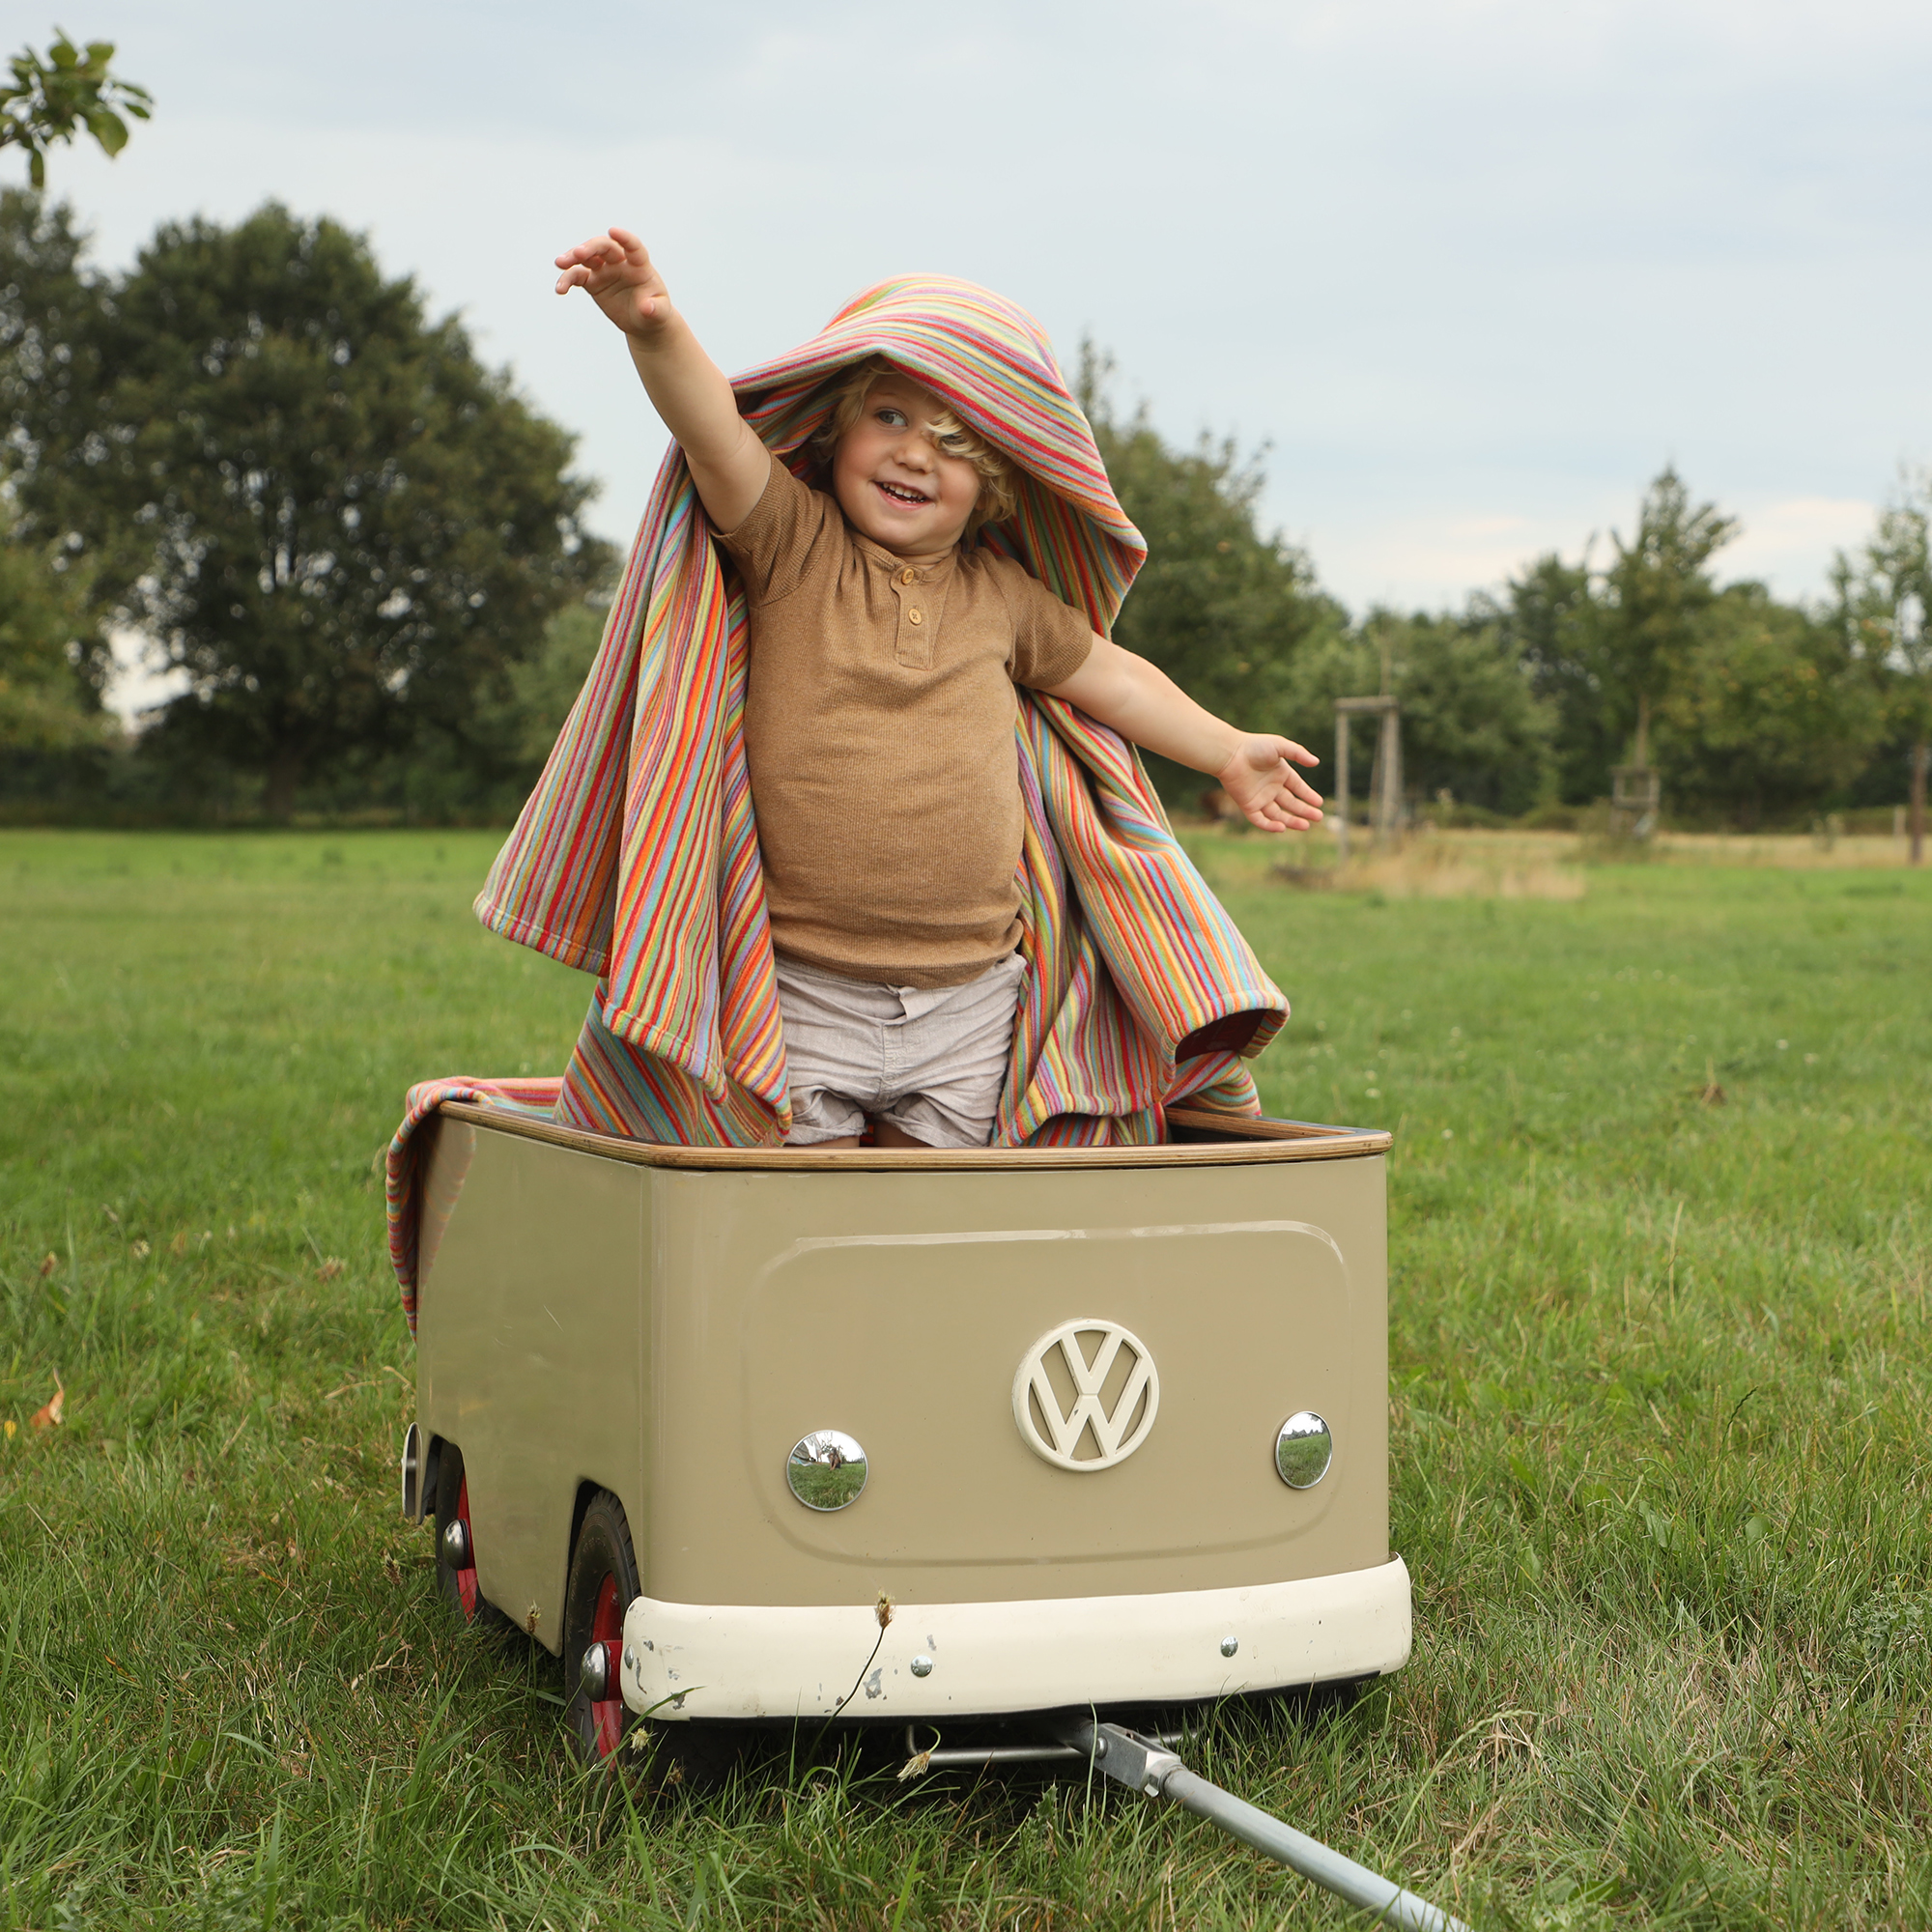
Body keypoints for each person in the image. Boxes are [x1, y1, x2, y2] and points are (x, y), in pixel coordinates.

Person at [553, 228, 1324, 1151]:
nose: (916, 453)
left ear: (994, 483)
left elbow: (1112, 677)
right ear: (838, 432)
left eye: (954, 442)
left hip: (972, 999)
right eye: (890, 418)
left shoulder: (1003, 601)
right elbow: (714, 436)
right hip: (800, 990)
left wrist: (1228, 749)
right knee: (795, 1222)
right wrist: (654, 329)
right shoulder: (796, 548)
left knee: (943, 1228)